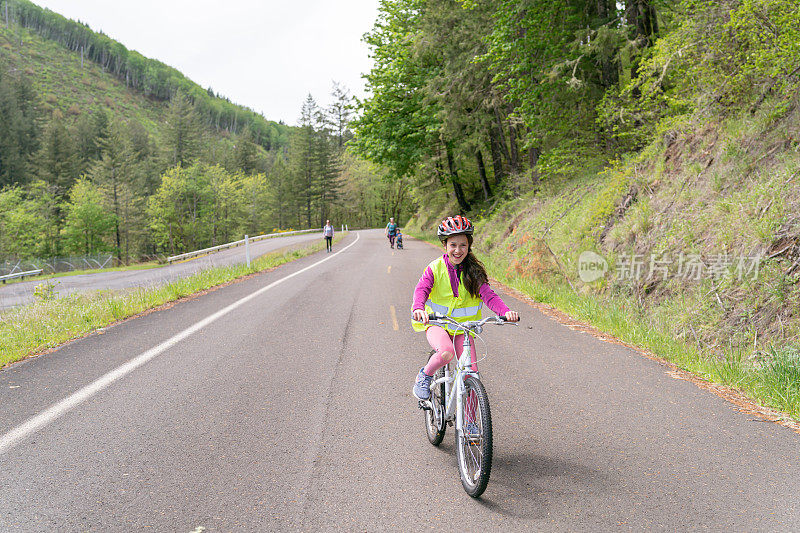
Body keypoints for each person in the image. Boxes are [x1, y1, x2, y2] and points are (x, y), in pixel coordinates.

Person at [411, 215, 519, 402]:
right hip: (438, 324)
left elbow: (489, 296)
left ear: (469, 246)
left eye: (463, 245)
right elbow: (422, 290)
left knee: (471, 374)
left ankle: (470, 423)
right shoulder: (435, 268)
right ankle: (425, 375)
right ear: (445, 245)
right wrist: (419, 308)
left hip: (464, 329)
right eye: (453, 245)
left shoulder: (474, 272)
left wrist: (505, 312)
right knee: (446, 352)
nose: (458, 250)